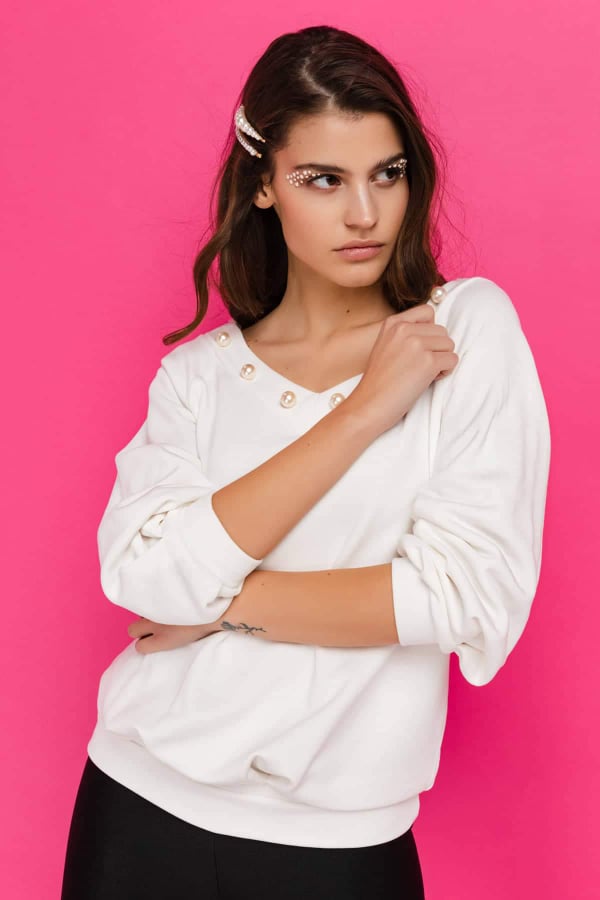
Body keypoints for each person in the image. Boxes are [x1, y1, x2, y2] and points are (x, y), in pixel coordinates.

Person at [60, 24, 551, 900]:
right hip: (137, 806)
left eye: (386, 174)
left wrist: (218, 609)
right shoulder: (197, 378)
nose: (364, 214)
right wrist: (365, 411)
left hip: (340, 845)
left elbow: (463, 595)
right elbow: (140, 574)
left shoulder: (459, 332)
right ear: (263, 184)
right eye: (323, 179)